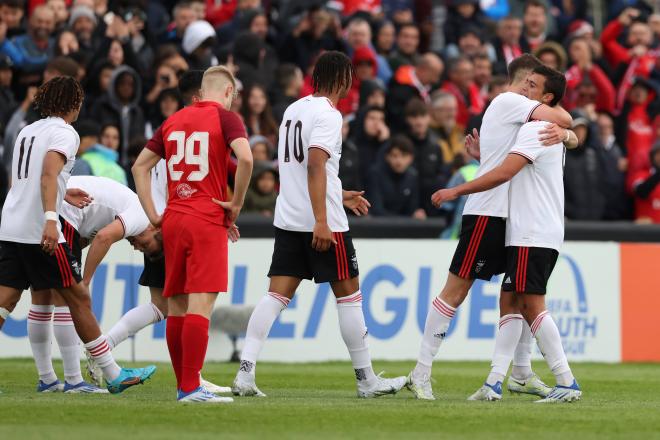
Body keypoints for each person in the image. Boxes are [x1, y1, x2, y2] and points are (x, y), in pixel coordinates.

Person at [231, 51, 407, 399]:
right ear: (343, 79)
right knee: (350, 296)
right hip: (320, 223)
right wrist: (323, 219)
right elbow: (314, 164)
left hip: (288, 218)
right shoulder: (328, 114)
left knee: (275, 296)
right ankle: (366, 380)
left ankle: (245, 373)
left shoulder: (293, 110)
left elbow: (299, 170)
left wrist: (338, 195)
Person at [407, 54, 576, 401]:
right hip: (489, 213)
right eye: (529, 81)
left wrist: (485, 157)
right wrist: (568, 130)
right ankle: (421, 372)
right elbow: (564, 117)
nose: (529, 88)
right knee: (457, 291)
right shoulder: (510, 102)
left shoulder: (519, 115)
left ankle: (516, 374)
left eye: (535, 85)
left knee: (515, 298)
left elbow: (507, 158)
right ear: (524, 79)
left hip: (511, 217)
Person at [0, 76, 156, 394]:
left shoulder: (27, 131)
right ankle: (109, 374)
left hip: (11, 222)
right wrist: (48, 218)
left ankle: (49, 379)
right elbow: (47, 173)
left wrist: (62, 196)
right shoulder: (65, 133)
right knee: (78, 296)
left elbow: (25, 179)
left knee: (8, 299)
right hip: (37, 228)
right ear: (73, 104)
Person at [132, 65, 253, 404]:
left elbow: (139, 166)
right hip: (206, 216)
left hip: (174, 218)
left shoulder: (174, 119)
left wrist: (153, 214)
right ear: (227, 92)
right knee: (201, 302)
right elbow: (246, 158)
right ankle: (190, 388)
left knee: (177, 304)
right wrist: (237, 204)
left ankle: (184, 385)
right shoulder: (226, 119)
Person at [28, 175, 160, 393]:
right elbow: (104, 238)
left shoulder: (128, 208)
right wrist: (84, 281)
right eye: (146, 246)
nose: (138, 248)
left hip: (48, 206)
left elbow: (89, 235)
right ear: (156, 230)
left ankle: (48, 379)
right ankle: (74, 380)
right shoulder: (143, 215)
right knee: (69, 298)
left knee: (42, 296)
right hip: (64, 212)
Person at [367, 135, 424, 219]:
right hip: (379, 227)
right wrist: (407, 219)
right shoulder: (375, 174)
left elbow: (412, 209)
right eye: (394, 155)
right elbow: (376, 210)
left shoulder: (413, 176)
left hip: (405, 228)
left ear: (411, 158)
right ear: (387, 157)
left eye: (403, 155)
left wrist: (416, 214)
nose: (399, 161)